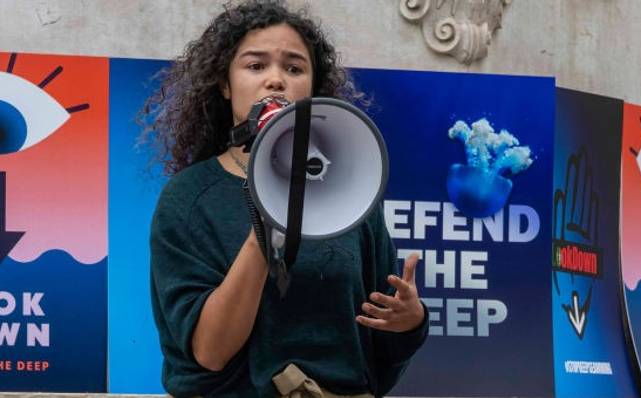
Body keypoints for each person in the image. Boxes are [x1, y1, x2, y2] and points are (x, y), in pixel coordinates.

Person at [141, 1, 428, 397]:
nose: (276, 80)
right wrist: (269, 217)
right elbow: (209, 351)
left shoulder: (351, 194)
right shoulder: (188, 198)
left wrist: (409, 322)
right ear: (225, 84)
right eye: (256, 66)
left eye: (294, 68)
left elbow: (376, 345)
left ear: (313, 88)